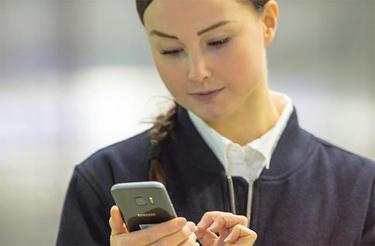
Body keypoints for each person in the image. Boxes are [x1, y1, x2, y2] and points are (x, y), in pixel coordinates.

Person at [56, 0, 375, 245]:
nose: (197, 71)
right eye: (171, 49)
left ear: (268, 22)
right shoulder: (104, 181)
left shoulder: (360, 190)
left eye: (218, 41)